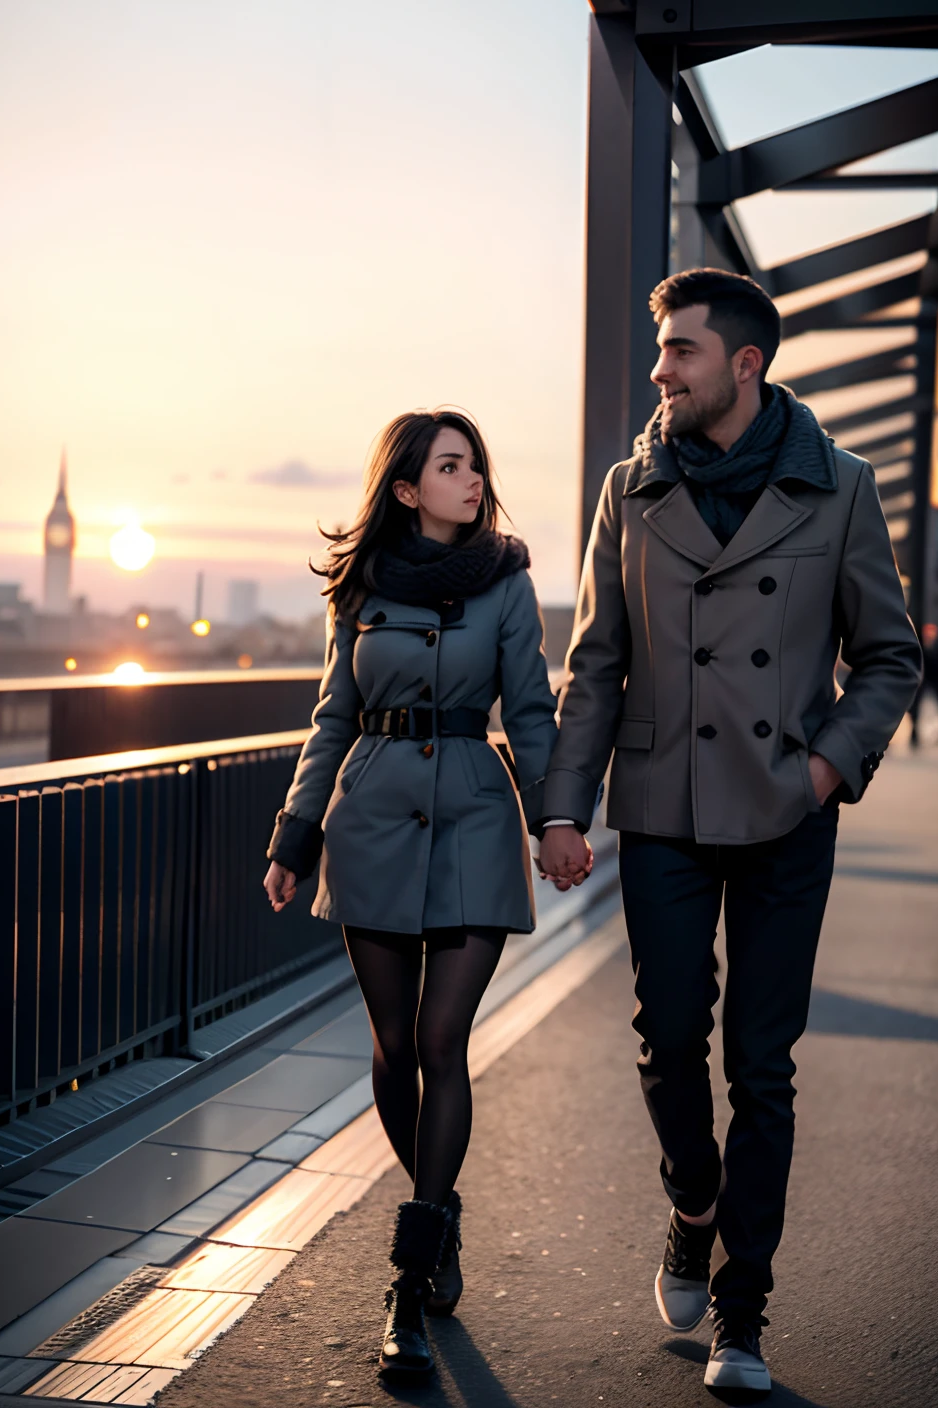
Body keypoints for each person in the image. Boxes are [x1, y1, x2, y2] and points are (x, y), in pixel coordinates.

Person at [537, 269, 922, 1396]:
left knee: (762, 1062)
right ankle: (691, 1201)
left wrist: (823, 765)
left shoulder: (839, 487)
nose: (659, 371)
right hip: (661, 808)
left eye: (680, 352)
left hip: (783, 812)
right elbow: (596, 664)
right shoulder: (631, 488)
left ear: (744, 365)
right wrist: (564, 805)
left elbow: (888, 656)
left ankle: (742, 1311)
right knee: (666, 1032)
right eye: (658, 351)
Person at [263, 408, 563, 1384]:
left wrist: (554, 819)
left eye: (475, 464)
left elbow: (531, 706)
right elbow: (330, 714)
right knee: (394, 1052)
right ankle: (441, 1210)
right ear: (406, 489)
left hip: (476, 816)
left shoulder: (508, 581)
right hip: (373, 820)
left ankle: (407, 1278)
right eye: (449, 466)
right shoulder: (357, 588)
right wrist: (293, 836)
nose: (471, 479)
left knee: (443, 1042)